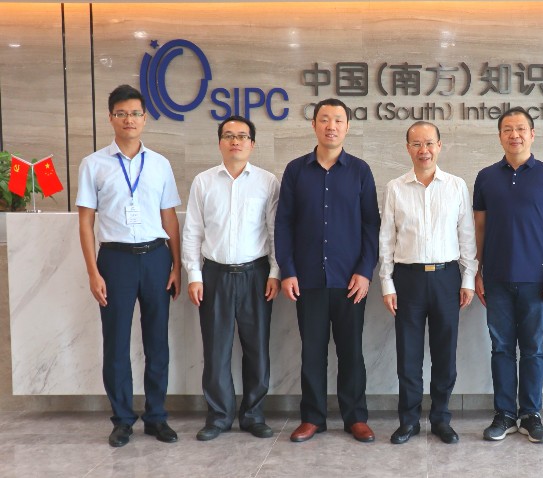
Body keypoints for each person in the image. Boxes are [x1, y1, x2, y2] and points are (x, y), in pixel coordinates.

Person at [76, 84, 181, 447]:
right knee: (117, 343)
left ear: (145, 118)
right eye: (121, 113)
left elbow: (170, 218)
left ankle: (156, 417)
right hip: (115, 261)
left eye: (135, 113)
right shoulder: (93, 164)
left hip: (156, 258)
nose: (129, 119)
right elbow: (85, 222)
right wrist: (93, 272)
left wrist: (176, 265)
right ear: (110, 118)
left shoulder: (160, 164)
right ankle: (122, 420)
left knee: (157, 343)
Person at [275, 98, 380, 443]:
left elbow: (371, 225)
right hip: (307, 279)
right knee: (312, 352)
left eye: (337, 120)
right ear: (314, 125)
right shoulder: (295, 170)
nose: (331, 126)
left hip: (350, 280)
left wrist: (365, 271)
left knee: (351, 352)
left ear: (347, 127)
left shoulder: (360, 171)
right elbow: (283, 223)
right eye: (324, 119)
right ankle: (312, 418)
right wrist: (288, 270)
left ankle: (355, 418)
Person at [473, 107, 543, 444]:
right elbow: (480, 228)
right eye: (507, 129)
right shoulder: (486, 177)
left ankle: (531, 415)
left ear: (532, 134)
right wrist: (477, 272)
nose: (514, 135)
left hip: (537, 280)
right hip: (496, 278)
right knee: (501, 348)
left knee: (532, 349)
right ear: (500, 135)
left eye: (520, 129)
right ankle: (504, 414)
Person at [182, 115, 281, 441]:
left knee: (257, 349)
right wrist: (194, 275)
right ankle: (219, 416)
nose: (235, 141)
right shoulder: (203, 182)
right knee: (216, 350)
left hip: (256, 275)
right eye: (228, 136)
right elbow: (193, 230)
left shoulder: (267, 182)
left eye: (242, 136)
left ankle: (253, 415)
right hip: (215, 275)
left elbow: (274, 231)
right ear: (220, 142)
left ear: (252, 143)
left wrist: (275, 272)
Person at [378, 121, 477, 445]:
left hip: (447, 278)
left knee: (444, 354)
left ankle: (441, 419)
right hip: (407, 279)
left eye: (429, 143)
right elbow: (386, 238)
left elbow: (466, 236)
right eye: (417, 144)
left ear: (439, 145)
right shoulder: (395, 187)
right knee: (408, 355)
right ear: (408, 148)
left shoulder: (456, 186)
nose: (424, 150)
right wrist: (387, 283)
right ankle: (408, 421)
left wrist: (467, 278)